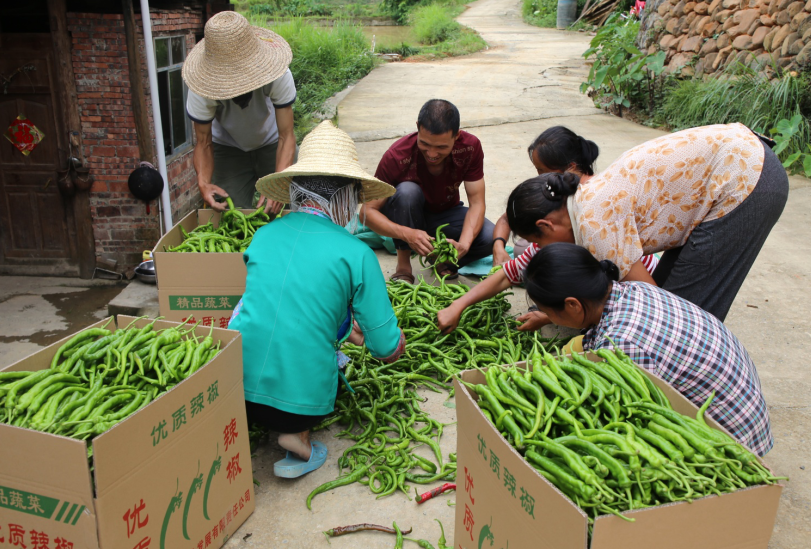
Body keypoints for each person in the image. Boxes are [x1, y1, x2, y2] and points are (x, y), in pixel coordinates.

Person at [438, 123, 788, 332]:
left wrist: (571, 328)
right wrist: (459, 306)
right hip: (735, 162)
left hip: (746, 180)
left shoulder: (595, 226)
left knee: (681, 318)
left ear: (546, 223)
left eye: (535, 241)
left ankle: (688, 391)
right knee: (672, 294)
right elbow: (517, 268)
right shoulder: (578, 198)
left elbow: (652, 303)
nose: (539, 250)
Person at [228, 121, 405, 478]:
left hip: (235, 391)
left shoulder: (263, 235)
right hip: (300, 406)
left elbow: (275, 302)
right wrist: (392, 340)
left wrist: (345, 327)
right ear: (346, 198)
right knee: (331, 358)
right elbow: (386, 349)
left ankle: (265, 412)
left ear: (296, 191)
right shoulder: (356, 254)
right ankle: (299, 436)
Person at [521, 242, 773, 456]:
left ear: (573, 305)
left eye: (550, 312)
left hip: (732, 441)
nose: (550, 318)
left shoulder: (621, 345)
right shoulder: (633, 289)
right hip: (745, 408)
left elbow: (631, 415)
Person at [360, 99, 496, 283]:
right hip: (405, 215)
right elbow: (367, 212)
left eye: (441, 147)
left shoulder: (470, 147)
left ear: (456, 136)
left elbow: (477, 203)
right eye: (425, 144)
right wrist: (406, 234)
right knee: (407, 191)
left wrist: (464, 244)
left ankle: (441, 259)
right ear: (418, 127)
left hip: (444, 214)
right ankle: (403, 264)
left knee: (490, 237)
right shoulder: (397, 155)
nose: (432, 154)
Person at [491, 126, 658, 274]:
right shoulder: (558, 187)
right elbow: (509, 216)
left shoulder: (591, 207)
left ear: (570, 167)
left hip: (625, 264)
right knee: (530, 249)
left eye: (542, 170)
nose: (539, 177)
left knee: (534, 254)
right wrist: (499, 245)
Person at [183, 11, 297, 214]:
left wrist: (279, 182)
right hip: (227, 148)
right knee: (229, 214)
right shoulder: (201, 87)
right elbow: (203, 142)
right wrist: (203, 182)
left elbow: (287, 135)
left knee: (284, 210)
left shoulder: (276, 73)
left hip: (273, 143)